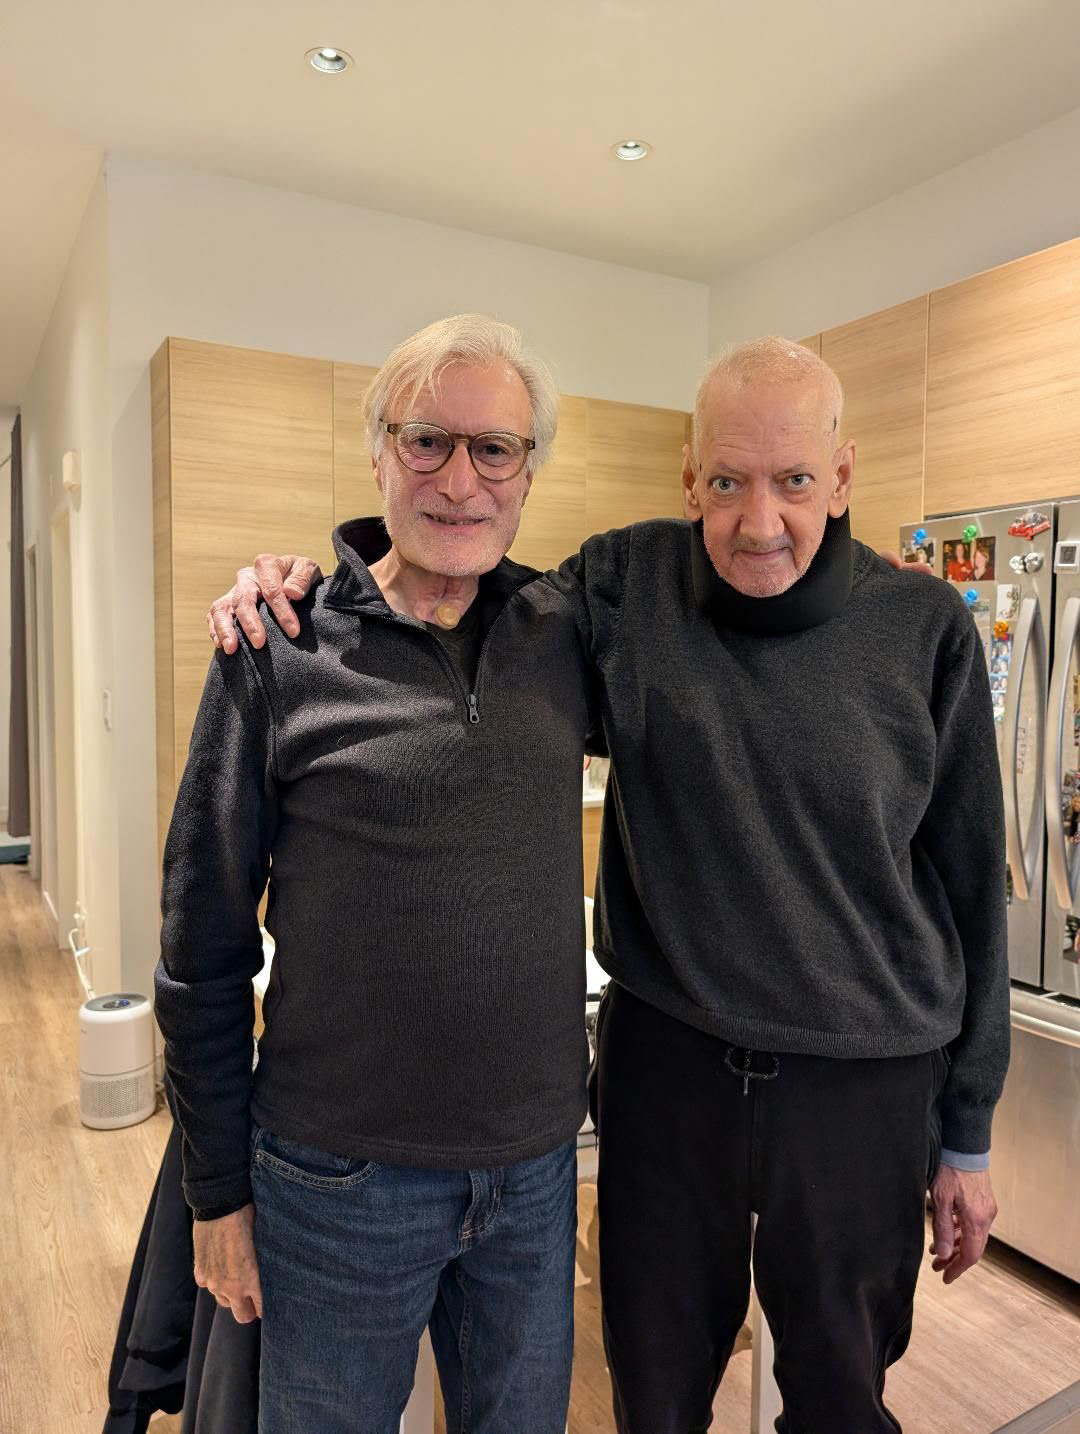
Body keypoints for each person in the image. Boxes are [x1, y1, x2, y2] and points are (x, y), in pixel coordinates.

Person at [210, 335, 1009, 1433]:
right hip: (664, 1074)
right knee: (654, 1395)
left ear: (843, 477)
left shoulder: (922, 628)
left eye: (794, 480)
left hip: (863, 1084)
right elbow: (439, 592)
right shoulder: (621, 587)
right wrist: (297, 579)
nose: (760, 520)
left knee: (841, 1397)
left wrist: (968, 1131)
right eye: (727, 481)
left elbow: (970, 889)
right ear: (688, 479)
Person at [157, 315, 598, 1434]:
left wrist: (872, 598)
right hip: (334, 1182)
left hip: (534, 1174)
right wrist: (216, 1192)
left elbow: (731, 627)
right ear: (377, 454)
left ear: (529, 472)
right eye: (427, 441)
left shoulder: (567, 634)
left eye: (494, 449)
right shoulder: (279, 645)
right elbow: (201, 943)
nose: (461, 480)